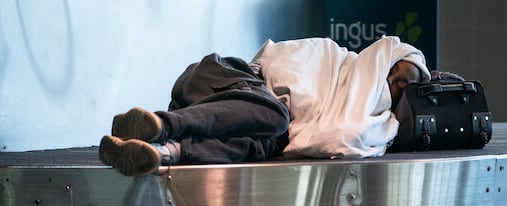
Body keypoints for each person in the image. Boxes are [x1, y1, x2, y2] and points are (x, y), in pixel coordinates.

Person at [99, 36, 429, 177]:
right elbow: (283, 66)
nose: (395, 86)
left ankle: (160, 151)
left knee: (259, 146)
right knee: (275, 115)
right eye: (397, 75)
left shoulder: (381, 123)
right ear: (384, 61)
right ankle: (161, 125)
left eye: (405, 87)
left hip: (250, 123)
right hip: (219, 80)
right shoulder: (333, 56)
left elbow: (338, 137)